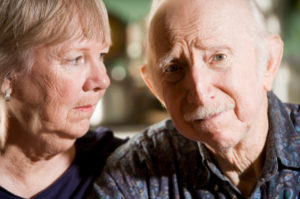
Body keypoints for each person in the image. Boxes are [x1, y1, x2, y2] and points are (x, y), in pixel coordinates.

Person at [93, 0, 300, 198]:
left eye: (218, 57)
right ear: (155, 88)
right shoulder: (135, 171)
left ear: (269, 63)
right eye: (173, 69)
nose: (199, 93)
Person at [0, 0, 126, 198]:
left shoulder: (126, 167)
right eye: (75, 58)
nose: (102, 80)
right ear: (5, 74)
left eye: (102, 56)